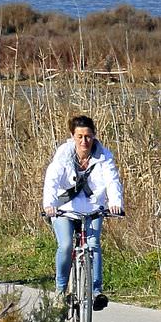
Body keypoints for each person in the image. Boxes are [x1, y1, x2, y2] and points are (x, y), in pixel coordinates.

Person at [42, 115, 125, 310]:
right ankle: (61, 290)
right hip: (64, 208)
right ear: (72, 136)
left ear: (94, 136)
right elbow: (52, 179)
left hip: (92, 209)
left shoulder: (104, 156)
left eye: (88, 136)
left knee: (94, 244)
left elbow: (112, 181)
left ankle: (96, 291)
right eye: (79, 136)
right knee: (65, 245)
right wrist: (49, 204)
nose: (84, 141)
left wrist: (115, 203)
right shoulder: (63, 154)